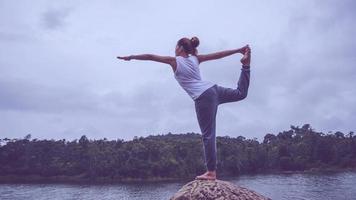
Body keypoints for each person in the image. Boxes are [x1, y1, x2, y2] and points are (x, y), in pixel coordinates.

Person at [117, 37, 251, 180]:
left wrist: (131, 57)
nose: (174, 49)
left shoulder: (174, 61)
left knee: (208, 135)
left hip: (203, 97)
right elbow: (218, 55)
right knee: (240, 94)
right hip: (214, 90)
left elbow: (150, 57)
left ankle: (211, 172)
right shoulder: (195, 59)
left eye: (175, 46)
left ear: (180, 48)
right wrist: (238, 50)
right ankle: (246, 66)